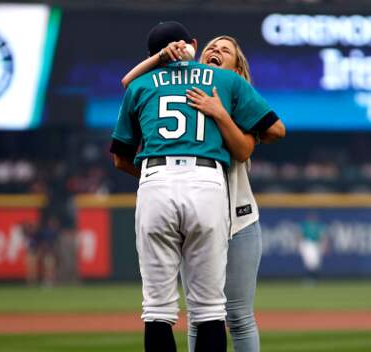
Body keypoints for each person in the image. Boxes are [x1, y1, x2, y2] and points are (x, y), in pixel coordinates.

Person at [110, 22, 283, 352]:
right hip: (207, 193)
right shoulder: (215, 82)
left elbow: (129, 89)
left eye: (225, 49)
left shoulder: (223, 89)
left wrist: (219, 113)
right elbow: (130, 84)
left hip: (215, 206)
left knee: (169, 309)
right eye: (212, 47)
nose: (216, 51)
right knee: (208, 310)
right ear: (193, 47)